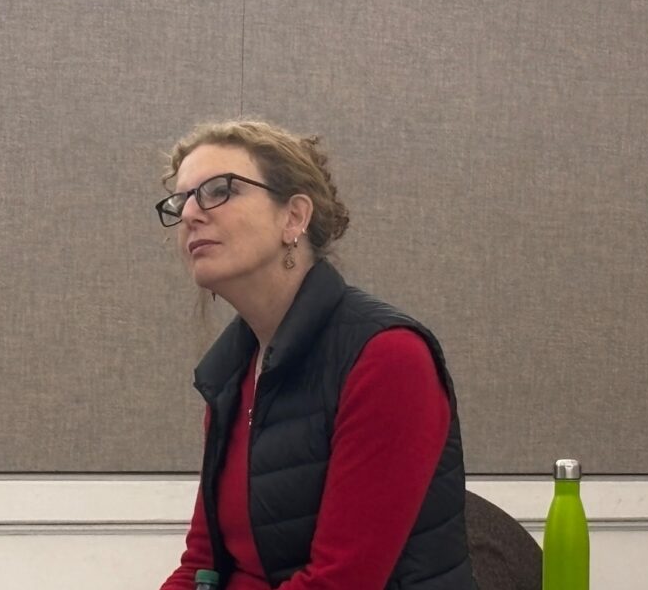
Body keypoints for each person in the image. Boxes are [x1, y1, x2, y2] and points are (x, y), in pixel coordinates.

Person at [155, 120, 476, 590]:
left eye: (219, 190)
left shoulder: (388, 358)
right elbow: (201, 565)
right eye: (181, 200)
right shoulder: (231, 375)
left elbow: (338, 583)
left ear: (294, 217)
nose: (190, 215)